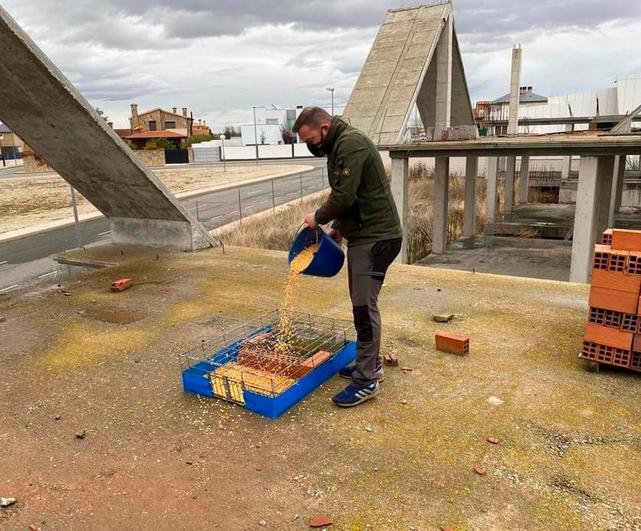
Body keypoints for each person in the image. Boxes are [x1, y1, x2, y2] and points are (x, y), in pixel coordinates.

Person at [292, 106, 403, 408]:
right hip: (364, 235)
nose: (309, 145)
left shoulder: (350, 144)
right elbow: (353, 199)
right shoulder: (339, 146)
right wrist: (339, 229)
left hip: (376, 238)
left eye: (310, 139)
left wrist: (317, 217)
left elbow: (343, 197)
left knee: (363, 309)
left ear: (324, 129)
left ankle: (367, 379)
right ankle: (372, 364)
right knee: (364, 304)